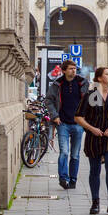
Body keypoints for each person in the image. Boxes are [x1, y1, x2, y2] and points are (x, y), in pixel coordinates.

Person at [76, 66, 108, 214]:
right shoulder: (92, 95)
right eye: (107, 74)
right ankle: (95, 202)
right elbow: (78, 117)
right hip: (94, 138)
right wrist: (92, 128)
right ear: (98, 78)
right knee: (95, 170)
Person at [45, 60, 88, 190]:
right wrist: (55, 116)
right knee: (64, 152)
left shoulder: (82, 82)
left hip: (78, 124)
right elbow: (49, 100)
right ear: (64, 70)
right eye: (70, 69)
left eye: (74, 68)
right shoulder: (58, 84)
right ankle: (63, 178)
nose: (73, 71)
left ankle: (73, 179)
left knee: (75, 154)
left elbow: (90, 100)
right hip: (62, 122)